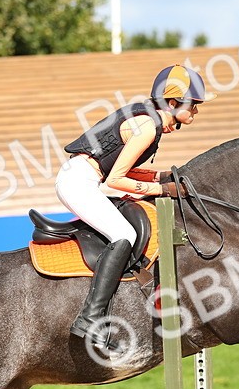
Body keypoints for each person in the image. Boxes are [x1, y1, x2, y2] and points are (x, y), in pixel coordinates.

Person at [57, 63, 216, 348]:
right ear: (171, 102)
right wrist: (162, 189)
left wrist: (162, 176)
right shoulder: (147, 127)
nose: (196, 111)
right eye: (193, 105)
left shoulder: (148, 117)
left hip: (84, 178)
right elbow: (116, 179)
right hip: (79, 182)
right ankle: (90, 318)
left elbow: (123, 170)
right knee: (125, 235)